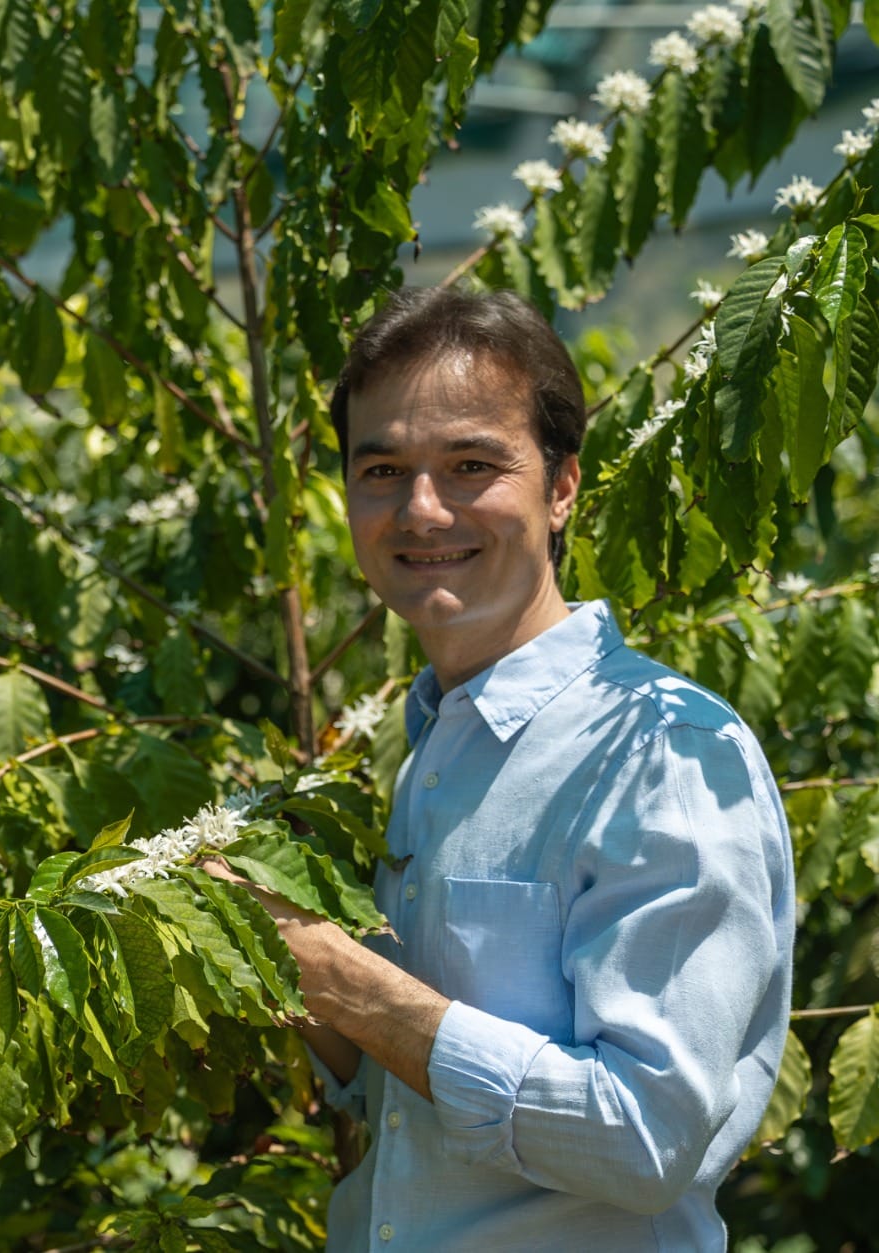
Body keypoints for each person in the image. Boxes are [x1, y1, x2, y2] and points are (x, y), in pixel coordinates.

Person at [217, 288, 793, 1251]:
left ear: (563, 485)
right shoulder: (430, 747)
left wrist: (345, 976)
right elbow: (399, 1089)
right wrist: (256, 942)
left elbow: (646, 1140)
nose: (421, 508)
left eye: (472, 464)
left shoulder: (663, 750)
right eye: (384, 469)